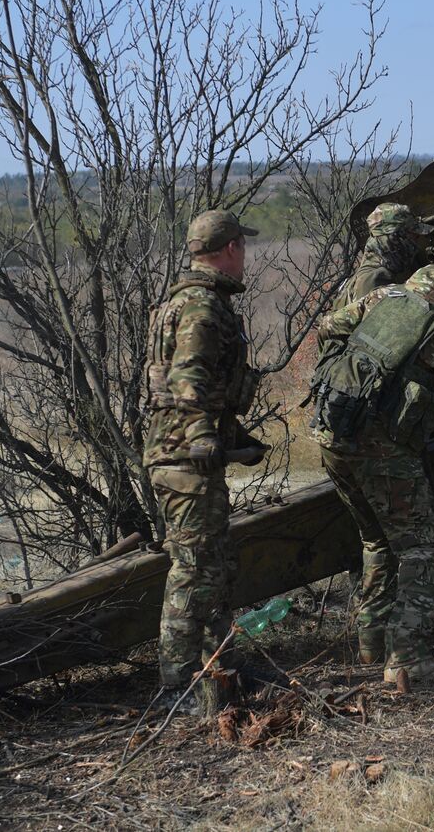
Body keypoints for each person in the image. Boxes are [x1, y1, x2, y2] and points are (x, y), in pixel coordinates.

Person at [310, 247, 434, 686]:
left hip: (331, 435)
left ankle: (372, 642)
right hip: (383, 451)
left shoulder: (386, 297)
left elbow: (327, 328)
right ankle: (407, 658)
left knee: (378, 540)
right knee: (425, 547)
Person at [142, 209, 267, 713]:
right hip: (184, 460)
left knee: (213, 566)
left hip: (182, 455)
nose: (244, 257)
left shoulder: (184, 301)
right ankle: (176, 686)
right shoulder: (201, 307)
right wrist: (202, 436)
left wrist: (235, 437)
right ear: (231, 248)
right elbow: (185, 380)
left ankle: (221, 668)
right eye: (243, 246)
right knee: (193, 570)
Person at [335, 202, 434, 308]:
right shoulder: (372, 283)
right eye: (413, 236)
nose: (417, 241)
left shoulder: (396, 263)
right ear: (395, 240)